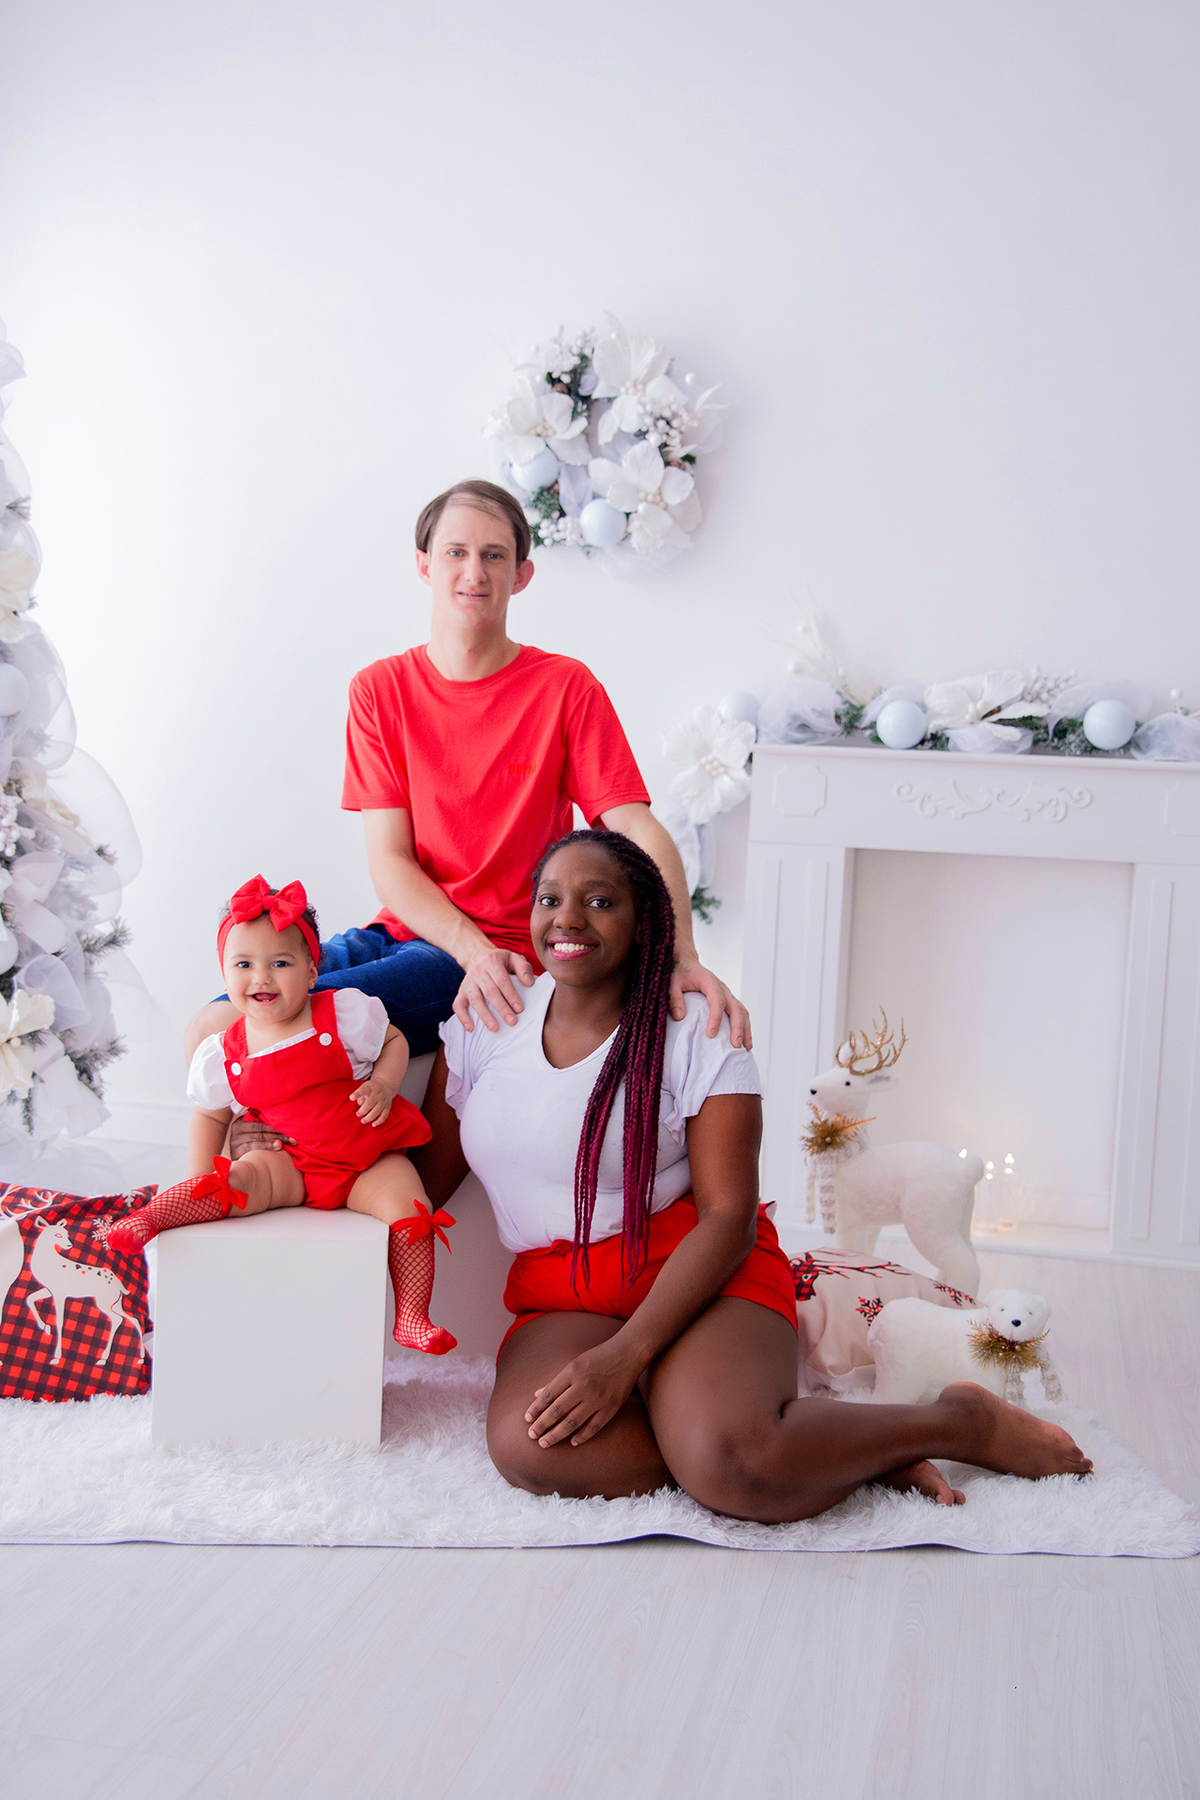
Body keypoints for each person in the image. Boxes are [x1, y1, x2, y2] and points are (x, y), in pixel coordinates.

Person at [411, 828, 1093, 1521]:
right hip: (565, 1292)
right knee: (534, 1450)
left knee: (736, 1467)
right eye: (550, 898)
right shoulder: (485, 1021)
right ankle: (829, 1451)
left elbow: (728, 1216)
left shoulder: (698, 1027)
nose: (568, 919)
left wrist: (624, 1359)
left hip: (698, 1271)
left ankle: (960, 1424)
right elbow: (424, 1182)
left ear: (646, 922)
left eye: (600, 901)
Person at [187, 480, 748, 1145]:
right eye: (455, 552)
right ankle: (240, 1177)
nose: (474, 572)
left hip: (507, 951)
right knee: (207, 1025)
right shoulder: (380, 690)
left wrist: (683, 952)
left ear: (523, 574)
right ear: (425, 564)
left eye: (494, 555)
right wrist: (468, 948)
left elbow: (635, 825)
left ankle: (267, 1165)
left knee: (258, 1026)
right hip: (412, 934)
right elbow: (389, 862)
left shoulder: (564, 688)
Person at [109, 876, 457, 1355]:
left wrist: (382, 1084)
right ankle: (152, 1219)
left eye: (281, 963)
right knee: (235, 1185)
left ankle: (412, 1315)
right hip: (289, 1164)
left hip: (366, 1161)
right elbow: (209, 1116)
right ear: (225, 974)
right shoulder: (223, 1051)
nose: (263, 977)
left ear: (314, 972)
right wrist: (201, 1177)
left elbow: (393, 1040)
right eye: (244, 965)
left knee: (410, 1207)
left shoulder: (343, 1013)